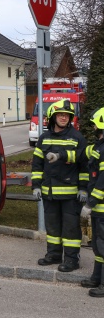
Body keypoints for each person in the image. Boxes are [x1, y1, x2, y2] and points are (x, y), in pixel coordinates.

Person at [31, 99, 88, 272]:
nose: (64, 118)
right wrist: (36, 186)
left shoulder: (77, 137)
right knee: (53, 226)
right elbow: (37, 164)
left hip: (70, 194)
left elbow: (84, 165)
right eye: (61, 115)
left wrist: (84, 189)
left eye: (67, 115)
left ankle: (72, 260)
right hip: (49, 193)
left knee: (70, 228)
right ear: (53, 116)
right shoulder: (44, 138)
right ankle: (54, 254)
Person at [79, 107, 104, 297]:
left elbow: (103, 180)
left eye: (95, 124)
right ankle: (96, 277)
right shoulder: (99, 146)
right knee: (97, 245)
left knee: (103, 245)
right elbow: (84, 153)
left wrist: (90, 202)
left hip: (101, 207)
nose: (93, 127)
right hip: (99, 209)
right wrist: (61, 155)